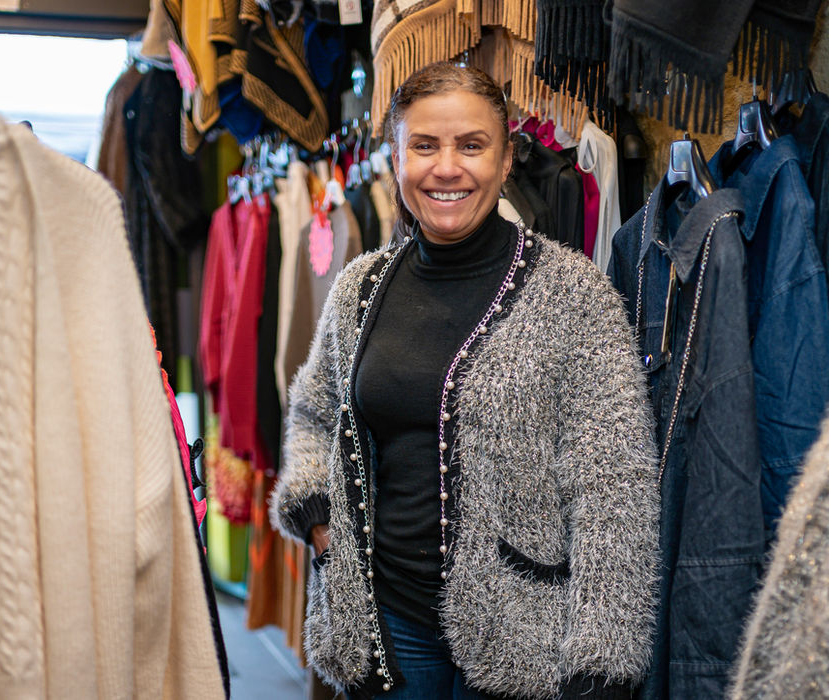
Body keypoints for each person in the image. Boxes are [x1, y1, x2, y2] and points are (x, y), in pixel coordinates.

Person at [269, 62, 659, 700]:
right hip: (385, 624)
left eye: (471, 145)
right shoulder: (360, 289)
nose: (446, 168)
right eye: (424, 145)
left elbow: (614, 484)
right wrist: (316, 511)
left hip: (523, 636)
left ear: (507, 160)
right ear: (396, 161)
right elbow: (314, 412)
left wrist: (604, 654)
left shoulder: (573, 294)